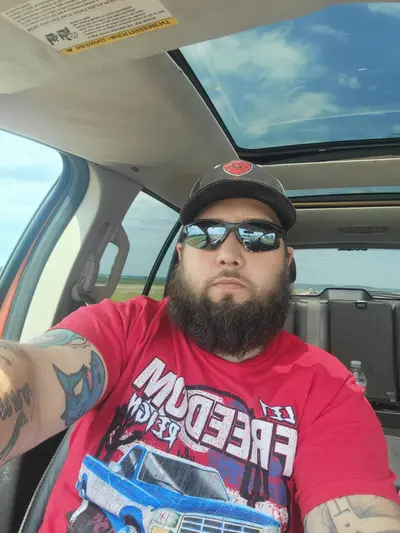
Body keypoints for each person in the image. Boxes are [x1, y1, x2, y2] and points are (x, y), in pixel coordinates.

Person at [1, 160, 399, 533]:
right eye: (204, 234)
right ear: (181, 255)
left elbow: (359, 513)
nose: (228, 254)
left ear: (287, 262)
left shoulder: (327, 389)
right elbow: (30, 376)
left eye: (258, 237)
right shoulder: (125, 328)